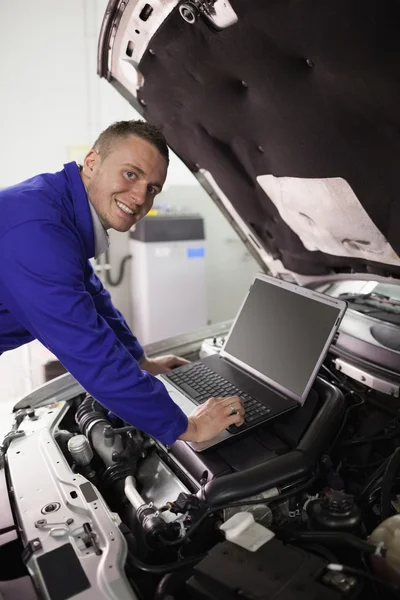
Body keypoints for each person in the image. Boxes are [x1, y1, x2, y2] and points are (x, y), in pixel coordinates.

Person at [0, 120, 244, 445]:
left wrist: (141, 362)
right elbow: (91, 353)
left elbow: (91, 295)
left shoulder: (55, 205)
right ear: (91, 163)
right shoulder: (38, 231)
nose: (141, 196)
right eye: (131, 173)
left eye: (153, 188)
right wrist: (187, 427)